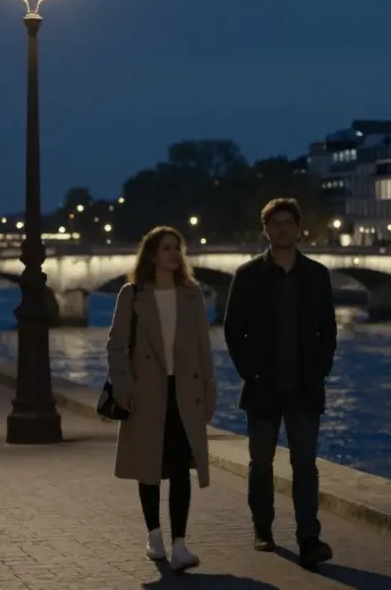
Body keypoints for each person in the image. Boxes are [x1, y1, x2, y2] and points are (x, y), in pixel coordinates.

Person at [223, 198, 338, 568]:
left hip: (304, 387)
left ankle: (309, 537)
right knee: (261, 464)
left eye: (289, 222)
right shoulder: (248, 274)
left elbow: (328, 331)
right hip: (262, 386)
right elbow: (232, 330)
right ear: (266, 230)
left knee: (306, 465)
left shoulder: (317, 275)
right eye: (277, 224)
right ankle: (263, 528)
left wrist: (319, 370)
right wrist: (249, 371)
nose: (283, 229)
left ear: (298, 228)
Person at [106, 226, 216, 572]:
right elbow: (116, 344)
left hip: (183, 391)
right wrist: (123, 386)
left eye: (178, 248)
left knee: (182, 467)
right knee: (148, 465)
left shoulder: (192, 294)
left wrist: (209, 389)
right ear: (152, 254)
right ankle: (154, 536)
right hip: (146, 391)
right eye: (168, 248)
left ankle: (180, 543)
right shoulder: (133, 294)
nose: (174, 254)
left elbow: (203, 346)